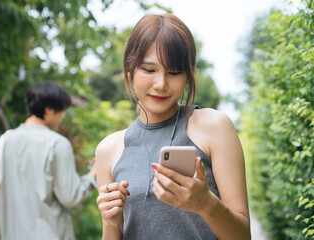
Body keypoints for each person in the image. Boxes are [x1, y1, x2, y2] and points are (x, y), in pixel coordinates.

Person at [95, 14, 251, 240]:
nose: (161, 84)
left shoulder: (214, 126)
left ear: (188, 76)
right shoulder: (108, 150)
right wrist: (110, 222)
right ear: (130, 70)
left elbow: (243, 236)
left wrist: (206, 204)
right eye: (149, 70)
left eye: (174, 72)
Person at [0, 81, 96, 240]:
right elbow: (70, 197)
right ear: (48, 110)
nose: (63, 116)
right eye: (61, 110)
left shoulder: (5, 141)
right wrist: (93, 174)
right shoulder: (58, 144)